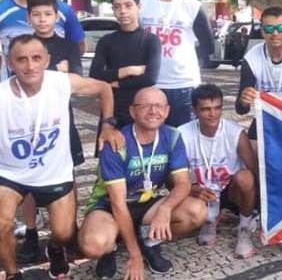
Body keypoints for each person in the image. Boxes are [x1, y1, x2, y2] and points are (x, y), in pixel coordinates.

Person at [0, 35, 122, 280]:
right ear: (10, 64)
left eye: (36, 58)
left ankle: (55, 248)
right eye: (21, 59)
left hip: (55, 172)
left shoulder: (62, 82)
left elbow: (103, 88)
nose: (30, 65)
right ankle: (13, 275)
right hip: (12, 173)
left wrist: (108, 125)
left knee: (65, 234)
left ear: (47, 60)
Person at [79, 87, 207, 279]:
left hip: (148, 203)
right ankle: (111, 247)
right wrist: (134, 255)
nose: (153, 111)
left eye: (158, 106)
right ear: (133, 111)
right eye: (145, 106)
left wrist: (164, 210)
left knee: (196, 211)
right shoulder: (117, 142)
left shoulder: (172, 136)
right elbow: (117, 203)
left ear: (167, 111)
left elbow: (183, 184)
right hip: (110, 207)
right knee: (93, 245)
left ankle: (148, 241)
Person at [10, 0, 87, 263]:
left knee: (68, 178)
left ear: (57, 16)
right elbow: (15, 83)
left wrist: (66, 74)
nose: (42, 20)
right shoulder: (19, 45)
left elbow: (77, 81)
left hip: (61, 122)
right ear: (28, 17)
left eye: (48, 14)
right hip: (27, 124)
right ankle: (31, 232)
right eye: (36, 14)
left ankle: (68, 231)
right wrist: (57, 73)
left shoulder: (67, 46)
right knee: (28, 180)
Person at [178, 84, 257, 258]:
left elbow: (254, 170)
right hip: (203, 190)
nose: (212, 114)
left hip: (230, 190)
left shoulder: (235, 133)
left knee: (246, 178)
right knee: (182, 185)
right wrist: (191, 188)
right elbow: (174, 176)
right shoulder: (183, 134)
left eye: (217, 108)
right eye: (205, 109)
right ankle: (210, 221)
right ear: (194, 110)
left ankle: (244, 229)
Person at [139, 0, 214, 127]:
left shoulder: (193, 5)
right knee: (152, 138)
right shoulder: (140, 1)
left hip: (184, 85)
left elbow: (208, 44)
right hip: (150, 83)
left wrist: (184, 58)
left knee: (183, 140)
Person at [90, 0, 162, 130]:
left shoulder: (151, 40)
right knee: (110, 151)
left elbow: (150, 78)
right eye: (117, 7)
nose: (122, 11)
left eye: (128, 5)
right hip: (112, 109)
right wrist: (128, 71)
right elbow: (95, 75)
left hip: (142, 109)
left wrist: (118, 84)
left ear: (139, 6)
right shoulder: (106, 41)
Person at [236, 6, 282, 149]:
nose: (275, 33)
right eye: (269, 29)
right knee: (251, 147)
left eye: (281, 28)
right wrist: (244, 100)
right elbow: (241, 110)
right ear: (262, 31)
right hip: (266, 117)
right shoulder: (251, 59)